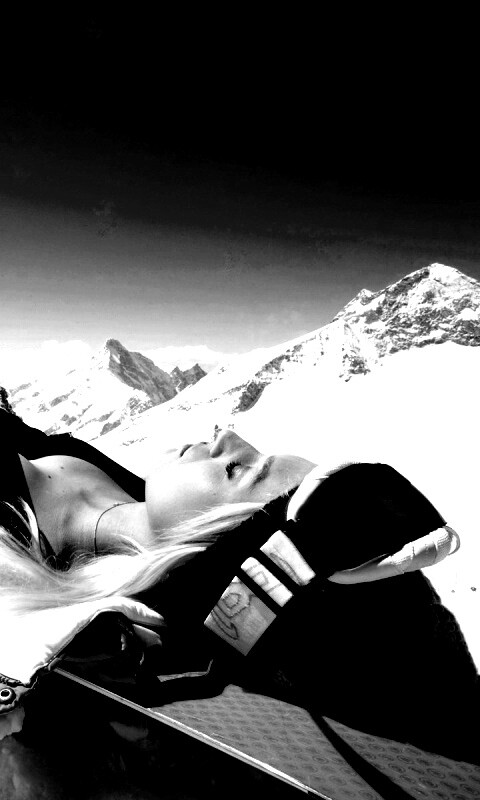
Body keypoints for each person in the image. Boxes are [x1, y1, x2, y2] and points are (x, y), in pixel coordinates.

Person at [0, 413, 478, 763]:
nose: (227, 436)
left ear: (205, 547)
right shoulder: (146, 507)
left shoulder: (15, 548)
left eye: (237, 470)